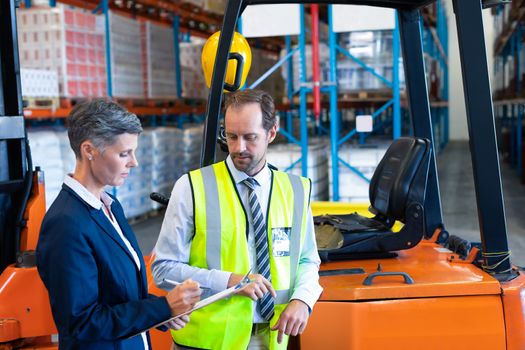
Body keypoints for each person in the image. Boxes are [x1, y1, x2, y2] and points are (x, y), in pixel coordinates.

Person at [152, 89, 322, 350]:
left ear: (272, 133)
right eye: (232, 136)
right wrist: (228, 281)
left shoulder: (296, 191)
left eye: (250, 137)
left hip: (270, 338)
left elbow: (307, 258)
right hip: (204, 341)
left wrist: (303, 300)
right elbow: (163, 269)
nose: (239, 148)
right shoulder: (192, 187)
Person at [36, 99, 202, 350]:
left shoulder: (110, 206)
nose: (133, 162)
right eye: (124, 153)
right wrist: (162, 307)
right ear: (89, 150)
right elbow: (82, 323)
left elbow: (121, 296)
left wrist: (163, 311)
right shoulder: (66, 225)